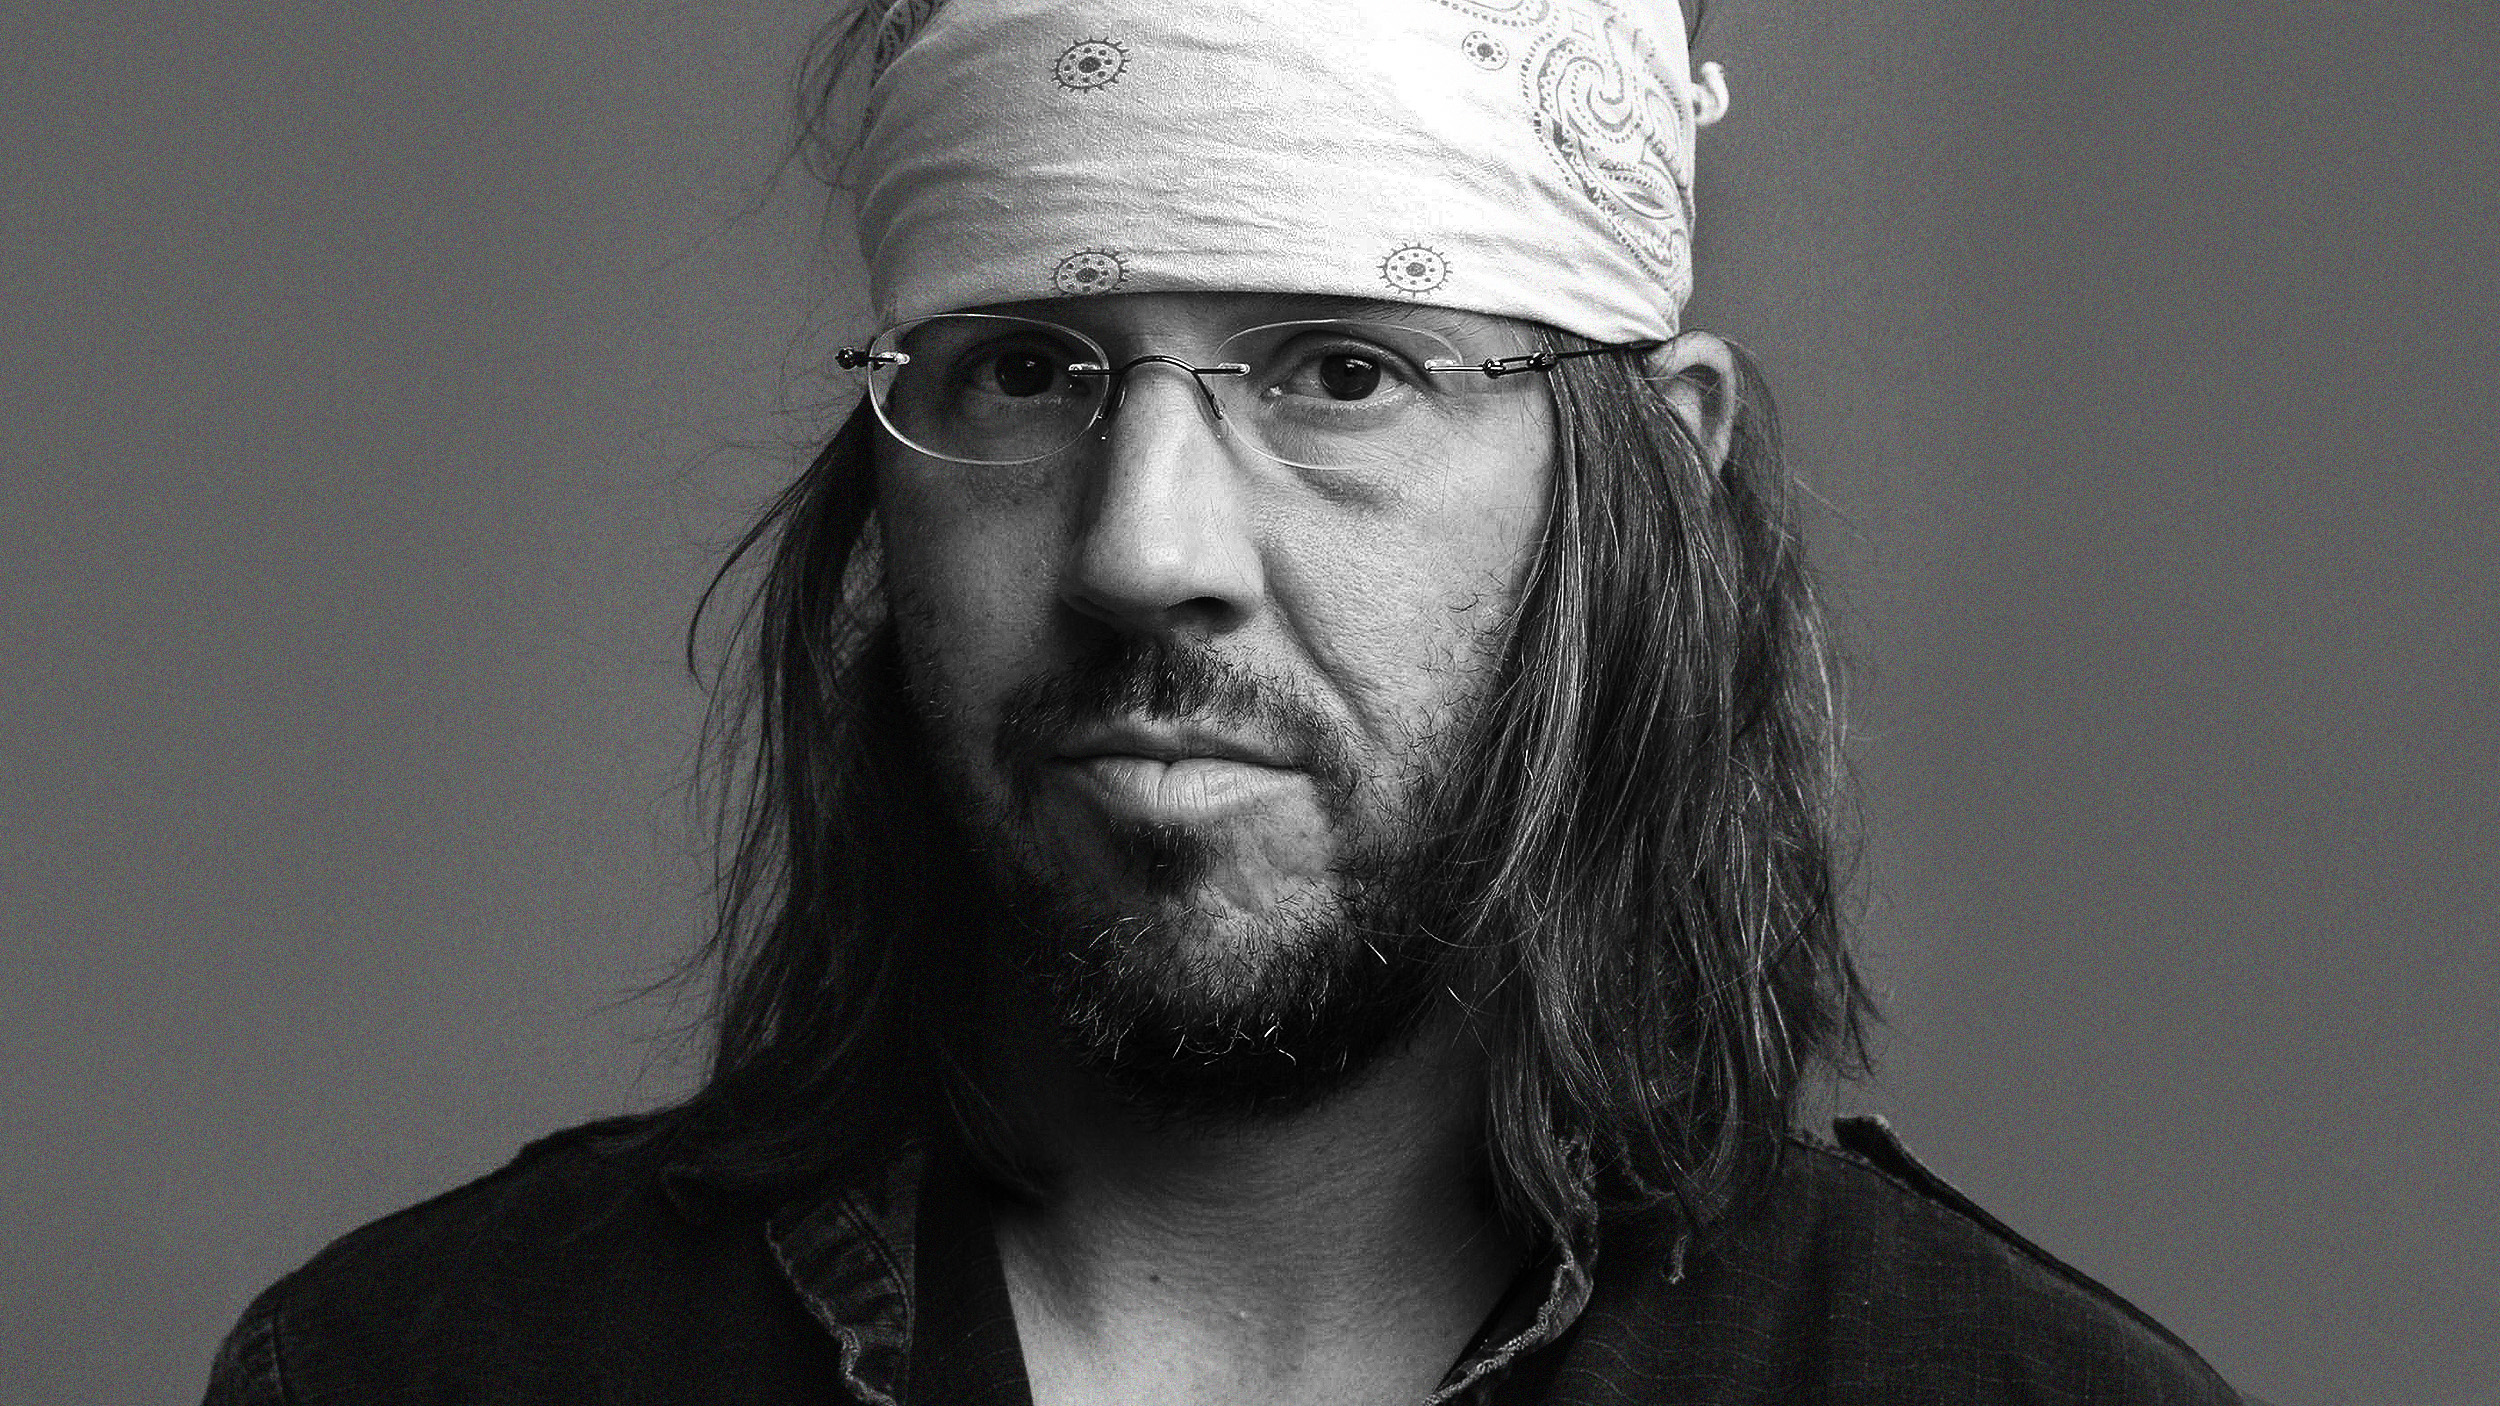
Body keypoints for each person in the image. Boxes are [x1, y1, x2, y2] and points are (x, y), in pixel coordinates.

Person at [207, 1, 2250, 1401]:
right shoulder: (425, 1371)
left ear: (1653, 467)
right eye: (1025, 366)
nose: (1139, 547)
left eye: (1337, 370)